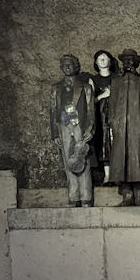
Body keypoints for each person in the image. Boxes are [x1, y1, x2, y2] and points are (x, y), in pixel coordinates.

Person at [105, 48, 140, 205]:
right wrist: (113, 122)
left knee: (138, 158)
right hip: (120, 126)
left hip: (136, 126)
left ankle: (139, 192)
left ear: (136, 62)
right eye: (125, 60)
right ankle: (126, 192)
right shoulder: (116, 83)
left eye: (131, 60)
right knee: (121, 158)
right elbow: (111, 105)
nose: (128, 63)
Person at [49, 54, 97, 206]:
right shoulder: (56, 88)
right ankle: (73, 196)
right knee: (68, 162)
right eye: (64, 64)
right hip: (64, 127)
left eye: (70, 64)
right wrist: (55, 132)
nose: (67, 67)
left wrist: (90, 128)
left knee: (83, 161)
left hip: (80, 128)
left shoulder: (86, 87)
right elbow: (53, 111)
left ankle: (85, 197)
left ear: (76, 66)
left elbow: (91, 110)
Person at [88, 49, 119, 186]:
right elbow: (88, 101)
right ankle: (107, 175)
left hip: (115, 115)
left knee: (116, 142)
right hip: (100, 117)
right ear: (95, 62)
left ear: (110, 61)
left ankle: (116, 174)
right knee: (103, 143)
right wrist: (102, 96)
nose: (102, 60)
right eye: (99, 58)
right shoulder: (93, 80)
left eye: (105, 58)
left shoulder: (117, 78)